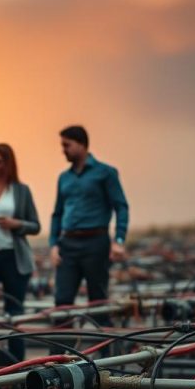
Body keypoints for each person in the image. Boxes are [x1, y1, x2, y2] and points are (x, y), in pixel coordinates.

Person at [49, 125, 129, 316]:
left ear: (81, 144)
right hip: (68, 244)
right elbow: (57, 213)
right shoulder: (64, 178)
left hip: (95, 242)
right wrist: (53, 245)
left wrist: (119, 241)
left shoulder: (106, 173)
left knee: (98, 302)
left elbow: (121, 206)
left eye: (67, 145)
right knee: (62, 303)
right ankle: (60, 346)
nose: (63, 150)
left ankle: (103, 345)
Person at [0, 143, 41, 360]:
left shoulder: (21, 191)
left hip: (14, 257)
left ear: (7, 164)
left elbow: (35, 225)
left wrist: (15, 224)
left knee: (15, 315)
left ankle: (16, 368)